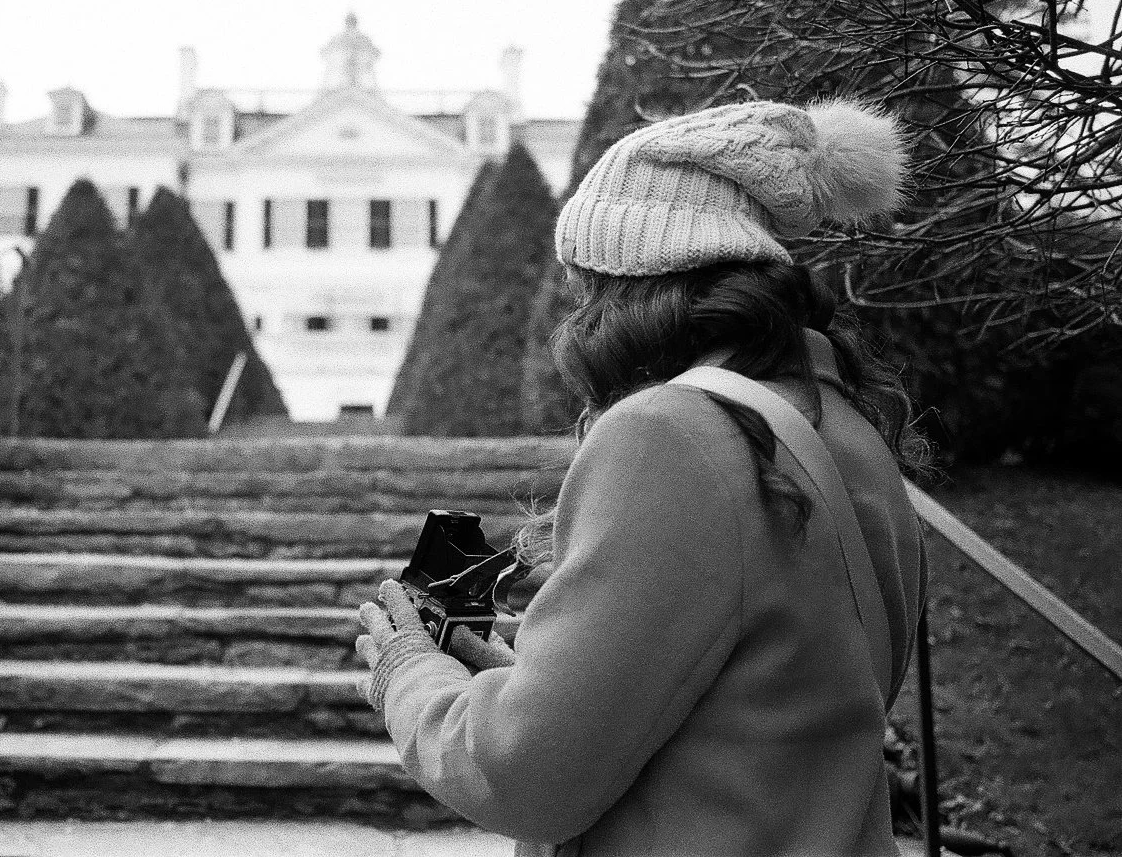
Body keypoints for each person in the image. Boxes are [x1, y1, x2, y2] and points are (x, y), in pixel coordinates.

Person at [356, 99, 930, 857]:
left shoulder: (667, 436)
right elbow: (763, 691)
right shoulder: (847, 430)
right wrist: (524, 665)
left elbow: (528, 775)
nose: (574, 313)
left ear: (627, 283)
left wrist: (408, 675)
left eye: (582, 284)